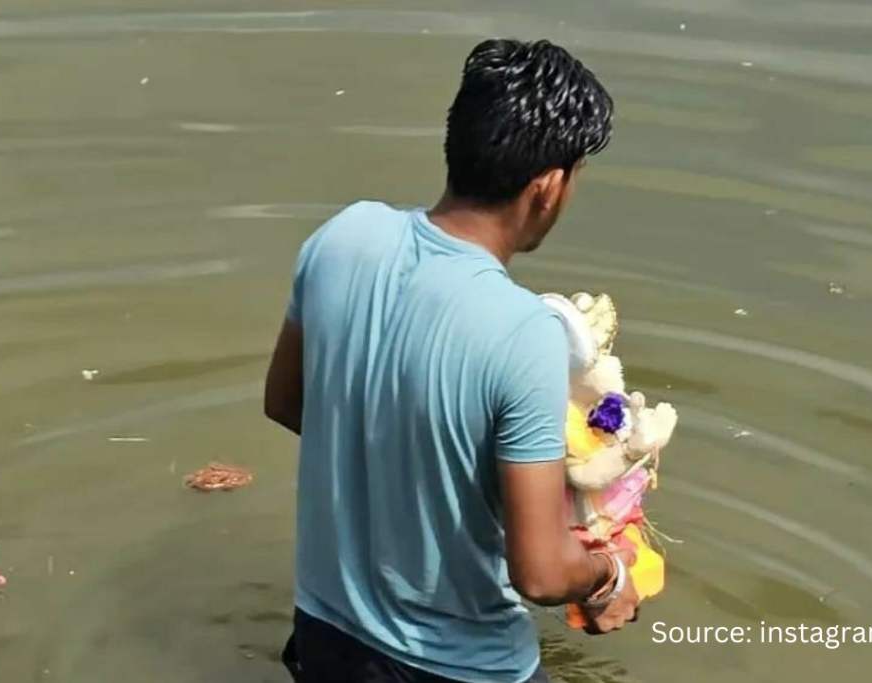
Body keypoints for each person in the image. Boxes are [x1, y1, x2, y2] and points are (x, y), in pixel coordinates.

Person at [264, 38, 640, 683]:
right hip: (458, 667)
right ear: (548, 187)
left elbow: (288, 403)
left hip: (325, 637)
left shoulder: (341, 236)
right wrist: (608, 576)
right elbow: (543, 574)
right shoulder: (524, 330)